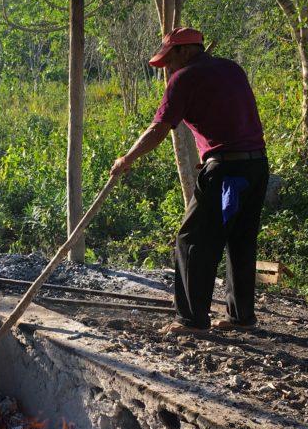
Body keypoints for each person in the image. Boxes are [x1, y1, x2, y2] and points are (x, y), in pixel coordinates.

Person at [110, 27, 268, 336]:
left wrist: (126, 159)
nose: (167, 67)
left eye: (169, 59)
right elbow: (229, 116)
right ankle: (242, 318)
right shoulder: (231, 68)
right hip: (256, 166)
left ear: (185, 51)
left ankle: (192, 320)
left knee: (193, 240)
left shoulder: (184, 78)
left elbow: (159, 129)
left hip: (227, 173)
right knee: (240, 240)